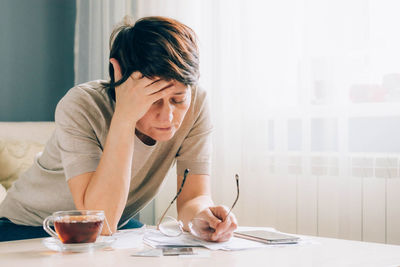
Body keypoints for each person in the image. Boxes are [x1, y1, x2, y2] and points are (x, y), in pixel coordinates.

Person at [0, 16, 237, 242]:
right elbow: (98, 222)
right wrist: (124, 117)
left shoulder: (196, 103)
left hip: (111, 225)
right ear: (120, 79)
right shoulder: (81, 105)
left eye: (177, 100)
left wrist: (201, 217)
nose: (168, 116)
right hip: (27, 225)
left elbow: (193, 197)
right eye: (152, 100)